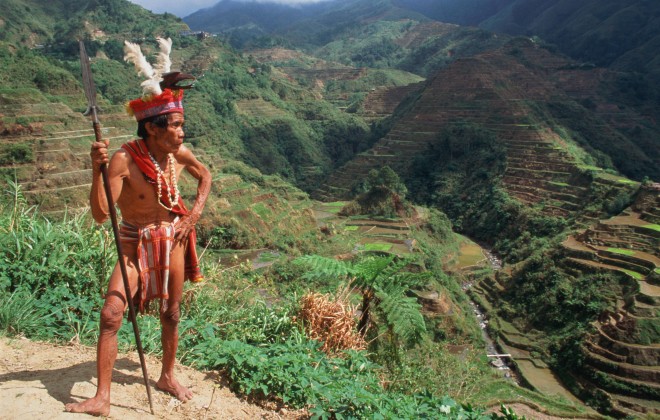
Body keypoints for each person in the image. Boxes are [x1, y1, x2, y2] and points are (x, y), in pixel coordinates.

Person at [66, 39, 211, 416]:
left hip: (173, 241)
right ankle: (102, 397)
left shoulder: (178, 153)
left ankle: (166, 375)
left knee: (172, 313)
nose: (182, 133)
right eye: (176, 126)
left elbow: (205, 176)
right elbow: (101, 214)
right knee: (112, 314)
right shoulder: (123, 160)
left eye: (182, 125)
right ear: (153, 128)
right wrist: (96, 172)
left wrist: (192, 217)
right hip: (134, 242)